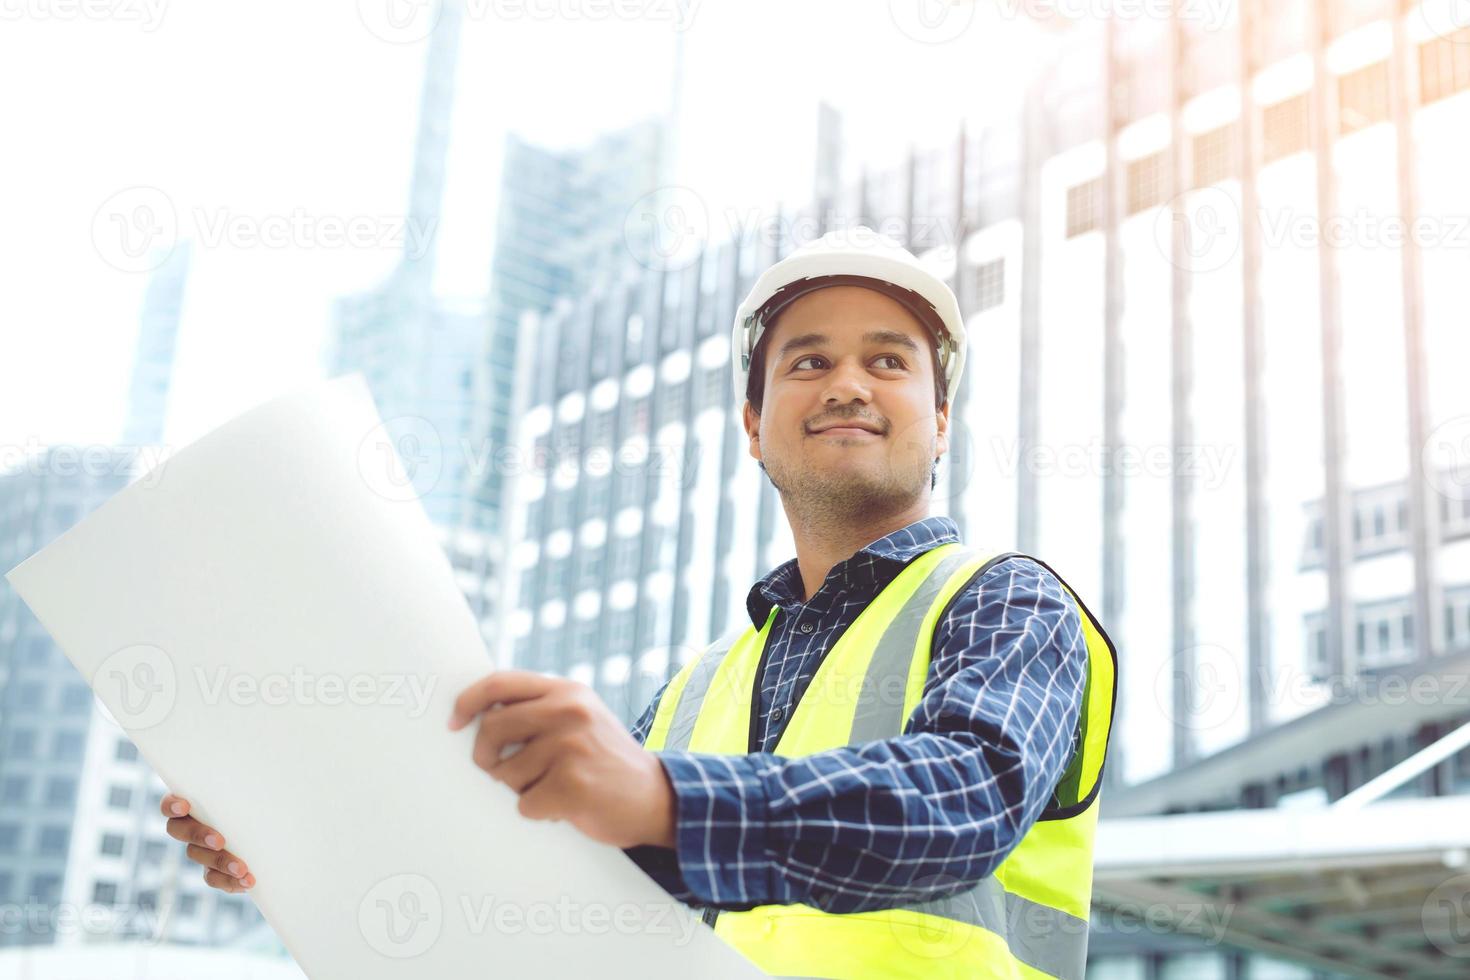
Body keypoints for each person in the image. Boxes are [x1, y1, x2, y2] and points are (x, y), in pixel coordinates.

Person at [163, 227, 1116, 979]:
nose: (849, 385)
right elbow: (549, 924)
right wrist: (296, 847)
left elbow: (964, 797)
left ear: (940, 418)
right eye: (808, 362)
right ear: (753, 425)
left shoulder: (1009, 604)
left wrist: (659, 796)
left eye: (889, 361)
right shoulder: (693, 694)